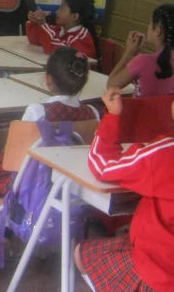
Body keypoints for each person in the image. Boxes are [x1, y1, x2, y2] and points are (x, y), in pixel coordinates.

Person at [75, 88, 174, 292]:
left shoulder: (164, 154)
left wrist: (112, 116)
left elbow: (102, 164)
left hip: (160, 271)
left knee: (81, 254)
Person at [0, 47, 98, 199]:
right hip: (71, 183)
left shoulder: (38, 111)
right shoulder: (93, 114)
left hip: (29, 183)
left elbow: (14, 156)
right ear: (83, 80)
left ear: (48, 79)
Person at [107, 3, 174, 97]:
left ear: (158, 30)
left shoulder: (142, 61)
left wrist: (129, 52)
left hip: (142, 111)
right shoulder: (142, 61)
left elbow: (111, 86)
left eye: (150, 23)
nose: (148, 26)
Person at [26, 0, 99, 60]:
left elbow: (59, 51)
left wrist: (43, 25)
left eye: (62, 8)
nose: (57, 11)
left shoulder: (81, 38)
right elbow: (34, 39)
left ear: (74, 17)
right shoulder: (59, 30)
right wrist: (35, 22)